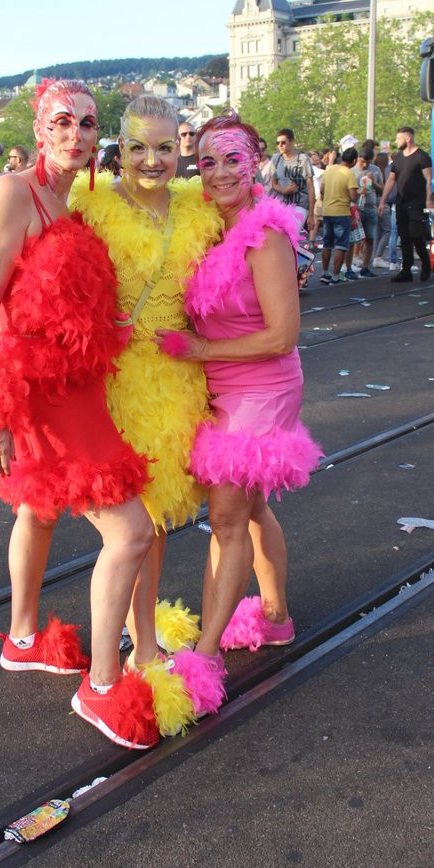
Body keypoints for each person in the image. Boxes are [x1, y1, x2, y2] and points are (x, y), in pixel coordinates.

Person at [0, 79, 168, 751]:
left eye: (88, 124)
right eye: (62, 122)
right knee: (128, 531)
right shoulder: (13, 193)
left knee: (36, 512)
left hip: (79, 391)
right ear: (40, 131)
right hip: (35, 395)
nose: (77, 134)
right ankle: (100, 688)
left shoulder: (73, 201)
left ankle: (23, 636)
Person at [156, 112, 322, 716]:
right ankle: (273, 617)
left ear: (255, 163)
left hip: (264, 383)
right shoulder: (205, 225)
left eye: (233, 159)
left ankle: (204, 656)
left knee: (226, 518)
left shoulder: (266, 234)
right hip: (220, 385)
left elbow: (282, 335)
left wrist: (199, 349)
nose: (220, 171)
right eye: (207, 161)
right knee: (250, 509)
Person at [71, 95, 222, 684]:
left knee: (156, 522)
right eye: (139, 147)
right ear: (121, 148)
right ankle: (137, 648)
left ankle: (145, 638)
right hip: (118, 384)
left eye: (164, 147)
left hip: (182, 381)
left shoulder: (197, 207)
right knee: (132, 524)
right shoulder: (93, 205)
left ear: (180, 147)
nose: (152, 160)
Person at [378, 126, 433, 282]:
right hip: (401, 203)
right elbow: (391, 180)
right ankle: (406, 270)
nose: (396, 141)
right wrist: (382, 200)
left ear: (408, 139)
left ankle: (426, 262)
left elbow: (429, 179)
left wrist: (429, 199)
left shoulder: (421, 156)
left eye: (398, 138)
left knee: (416, 235)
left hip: (417, 204)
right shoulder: (398, 158)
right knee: (405, 237)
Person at [318, 147, 359, 284]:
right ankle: (335, 276)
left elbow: (322, 190)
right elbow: (353, 196)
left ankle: (324, 273)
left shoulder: (329, 170)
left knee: (327, 244)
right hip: (342, 212)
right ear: (354, 160)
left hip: (327, 211)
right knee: (341, 245)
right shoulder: (348, 173)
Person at [270, 128, 315, 234]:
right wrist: (283, 190)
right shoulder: (276, 159)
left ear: (292, 142)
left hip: (299, 204)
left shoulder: (303, 159)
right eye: (278, 143)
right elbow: (274, 183)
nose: (280, 145)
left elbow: (310, 187)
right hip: (281, 204)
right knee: (278, 236)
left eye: (283, 142)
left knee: (290, 234)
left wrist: (311, 215)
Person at [351, 146, 384, 276]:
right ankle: (350, 265)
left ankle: (365, 266)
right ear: (358, 158)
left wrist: (374, 183)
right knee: (354, 239)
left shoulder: (375, 170)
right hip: (356, 208)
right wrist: (358, 191)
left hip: (370, 207)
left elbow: (382, 188)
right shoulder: (352, 171)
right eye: (362, 162)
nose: (365, 165)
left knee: (370, 237)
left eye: (368, 162)